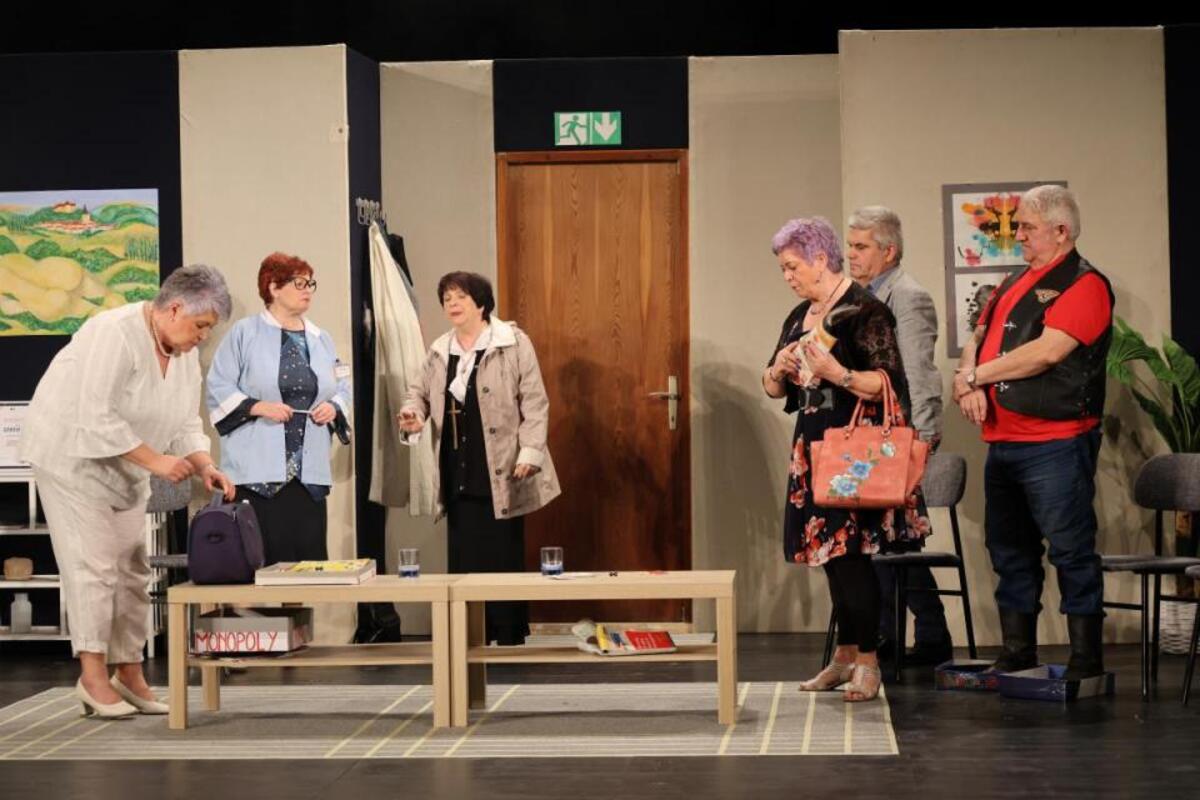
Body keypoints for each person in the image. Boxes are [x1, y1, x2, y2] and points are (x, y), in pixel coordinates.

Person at [20, 264, 235, 718]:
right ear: (174, 309)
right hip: (73, 459)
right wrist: (157, 462)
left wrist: (204, 465)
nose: (203, 337)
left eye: (208, 330)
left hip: (127, 464)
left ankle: (129, 671)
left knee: (133, 568)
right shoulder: (112, 333)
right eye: (200, 325)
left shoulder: (183, 354)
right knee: (94, 567)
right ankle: (92, 676)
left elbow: (185, 421)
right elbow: (94, 417)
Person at [764, 217, 932, 702]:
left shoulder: (864, 310)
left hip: (852, 447)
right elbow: (773, 387)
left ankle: (869, 662)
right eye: (783, 269)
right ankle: (843, 656)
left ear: (820, 259)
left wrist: (838, 373)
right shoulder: (800, 314)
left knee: (851, 555)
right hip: (812, 442)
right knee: (830, 557)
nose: (788, 276)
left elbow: (889, 384)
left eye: (792, 266)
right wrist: (777, 370)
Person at [953, 185, 1113, 680]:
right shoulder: (1015, 281)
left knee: (1070, 550)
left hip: (1055, 443)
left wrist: (975, 376)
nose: (1017, 235)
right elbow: (977, 336)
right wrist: (967, 378)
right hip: (1004, 442)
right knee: (1009, 552)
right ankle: (1018, 652)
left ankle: (1085, 660)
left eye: (1026, 227)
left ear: (1061, 231)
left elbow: (1047, 352)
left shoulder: (1085, 285)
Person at [397, 271, 560, 645]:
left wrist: (530, 450)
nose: (452, 304)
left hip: (502, 467)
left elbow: (535, 402)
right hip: (458, 464)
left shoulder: (512, 343)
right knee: (464, 555)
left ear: (481, 304)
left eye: (460, 297)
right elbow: (417, 393)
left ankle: (507, 633)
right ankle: (469, 635)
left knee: (501, 552)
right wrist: (413, 414)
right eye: (447, 299)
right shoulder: (441, 350)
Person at [846, 205, 953, 665]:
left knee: (895, 542)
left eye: (861, 246)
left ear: (888, 251)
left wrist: (922, 441)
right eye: (850, 245)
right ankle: (918, 635)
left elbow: (920, 374)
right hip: (868, 437)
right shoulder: (858, 296)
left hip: (898, 437)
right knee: (883, 542)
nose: (851, 254)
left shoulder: (907, 297)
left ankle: (920, 636)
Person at [206, 252, 351, 566]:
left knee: (309, 563)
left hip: (308, 475)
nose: (308, 290)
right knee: (266, 560)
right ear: (273, 287)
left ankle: (305, 604)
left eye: (310, 283)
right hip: (257, 476)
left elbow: (343, 386)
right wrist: (258, 407)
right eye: (299, 283)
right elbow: (218, 386)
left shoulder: (321, 339)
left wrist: (333, 407)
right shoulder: (244, 334)